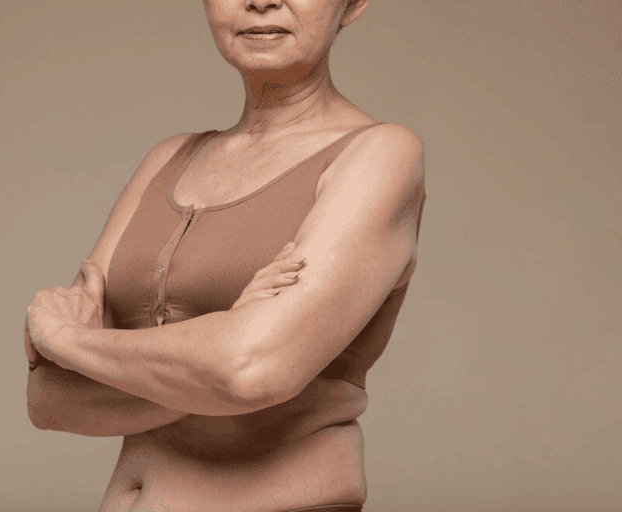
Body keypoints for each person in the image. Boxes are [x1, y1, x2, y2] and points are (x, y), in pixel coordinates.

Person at [24, 0, 427, 510]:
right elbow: (51, 400)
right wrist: (217, 347)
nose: (260, 1)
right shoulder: (167, 159)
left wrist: (65, 339)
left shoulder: (379, 156)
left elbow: (249, 370)